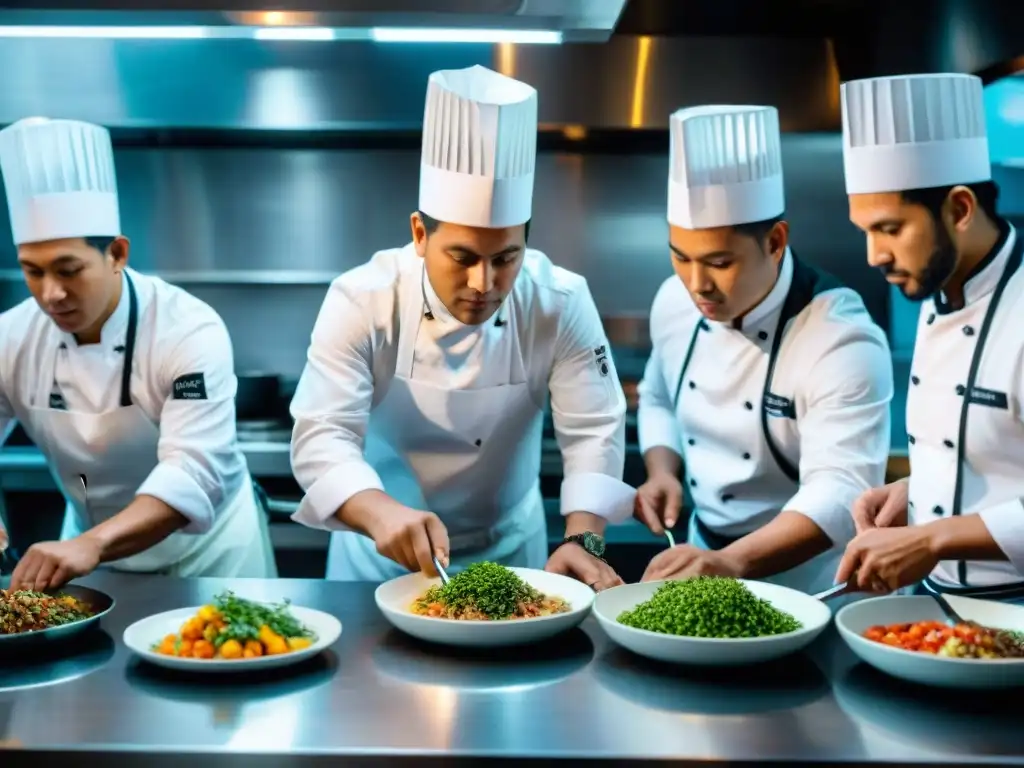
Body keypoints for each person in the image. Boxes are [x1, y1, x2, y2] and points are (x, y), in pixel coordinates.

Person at [289, 65, 634, 586]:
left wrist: (584, 539)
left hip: (513, 549)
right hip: (380, 556)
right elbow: (323, 433)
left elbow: (593, 429)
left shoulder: (560, 301)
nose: (484, 282)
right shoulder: (363, 299)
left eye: (506, 258)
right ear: (419, 235)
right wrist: (381, 513)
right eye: (463, 256)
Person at [0, 117, 276, 590]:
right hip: (86, 552)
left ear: (117, 253)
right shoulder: (12, 337)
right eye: (33, 271)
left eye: (69, 270)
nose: (51, 294)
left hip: (211, 555)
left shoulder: (187, 329)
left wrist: (92, 545)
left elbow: (190, 471)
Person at [634, 104, 893, 596]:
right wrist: (662, 470)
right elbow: (657, 396)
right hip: (705, 554)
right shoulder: (673, 301)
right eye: (680, 256)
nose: (696, 285)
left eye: (719, 261)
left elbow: (841, 492)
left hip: (814, 580)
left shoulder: (839, 337)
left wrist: (731, 562)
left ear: (775, 241)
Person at [835, 73, 1024, 600]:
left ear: (959, 209)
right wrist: (920, 494)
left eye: (891, 229)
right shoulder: (940, 283)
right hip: (935, 604)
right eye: (866, 232)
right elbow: (999, 457)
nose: (874, 256)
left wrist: (934, 536)